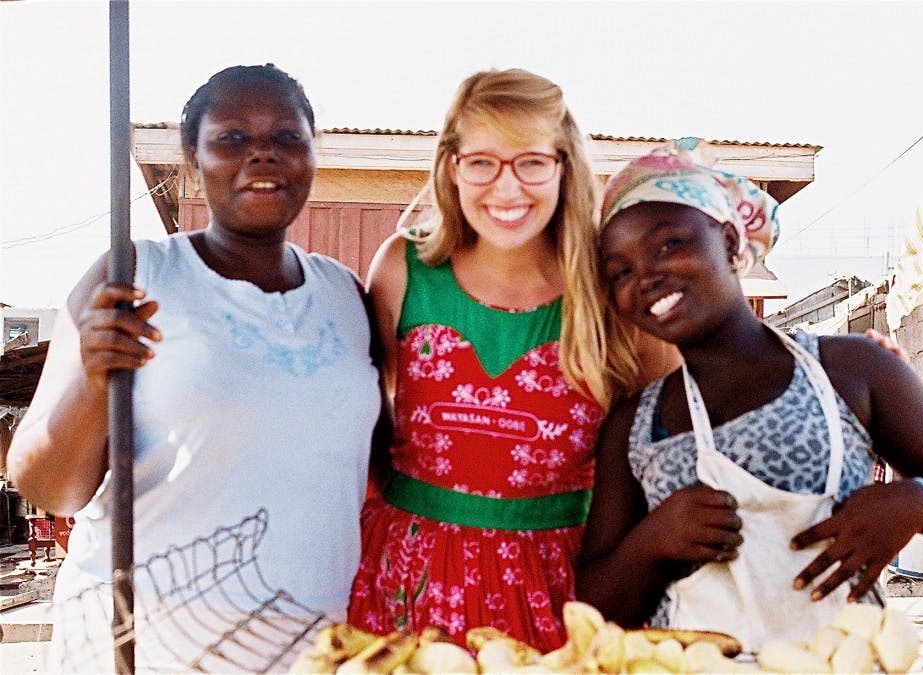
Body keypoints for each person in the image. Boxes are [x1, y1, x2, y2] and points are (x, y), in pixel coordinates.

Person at [7, 64, 384, 672]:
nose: (262, 154)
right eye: (231, 137)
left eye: (288, 136)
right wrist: (91, 382)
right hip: (142, 646)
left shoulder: (346, 297)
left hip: (309, 649)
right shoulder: (135, 274)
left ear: (314, 151)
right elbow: (46, 487)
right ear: (193, 154)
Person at [576, 138, 923, 652]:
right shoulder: (636, 426)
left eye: (668, 245)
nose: (646, 276)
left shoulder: (851, 369)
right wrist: (651, 542)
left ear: (731, 242)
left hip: (839, 662)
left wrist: (918, 503)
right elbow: (592, 607)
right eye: (620, 271)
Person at [347, 68, 643, 652]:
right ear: (451, 166)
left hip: (560, 589)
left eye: (531, 162)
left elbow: (675, 432)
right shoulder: (404, 270)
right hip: (407, 581)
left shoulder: (609, 292)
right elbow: (363, 417)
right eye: (482, 162)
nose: (506, 190)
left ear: (563, 166)